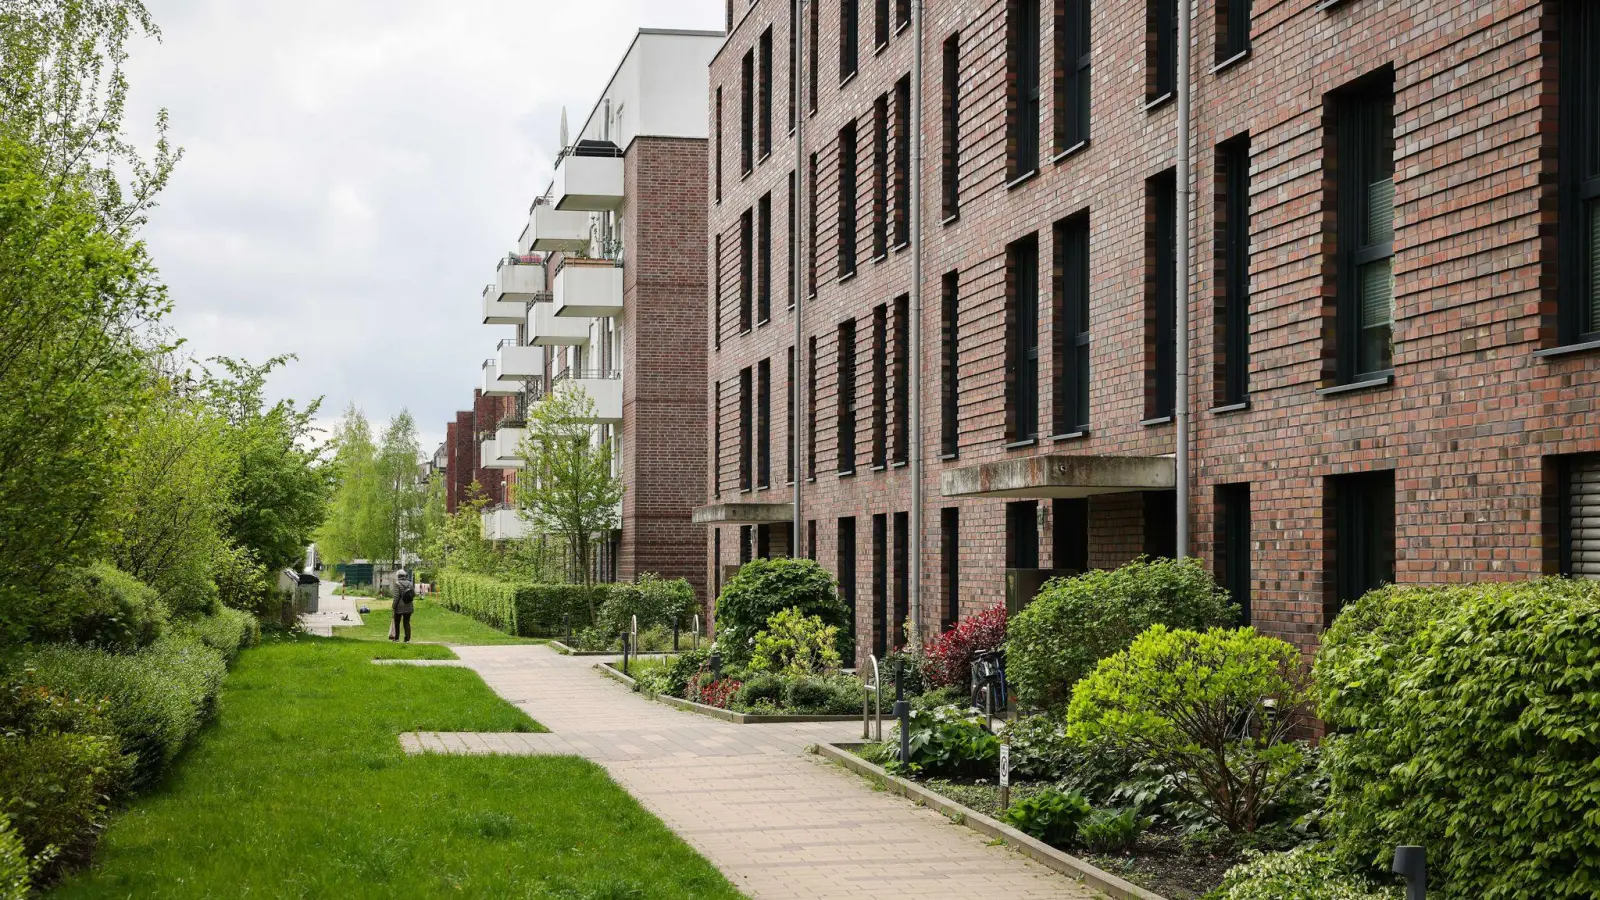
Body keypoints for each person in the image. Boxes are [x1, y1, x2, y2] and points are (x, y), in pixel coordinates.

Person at [389, 569, 416, 642]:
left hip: (399, 607)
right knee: (406, 622)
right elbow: (414, 594)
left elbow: (396, 596)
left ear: (398, 576)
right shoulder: (410, 583)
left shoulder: (397, 584)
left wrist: (393, 606)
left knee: (397, 622)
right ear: (405, 576)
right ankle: (407, 639)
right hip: (409, 606)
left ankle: (396, 638)